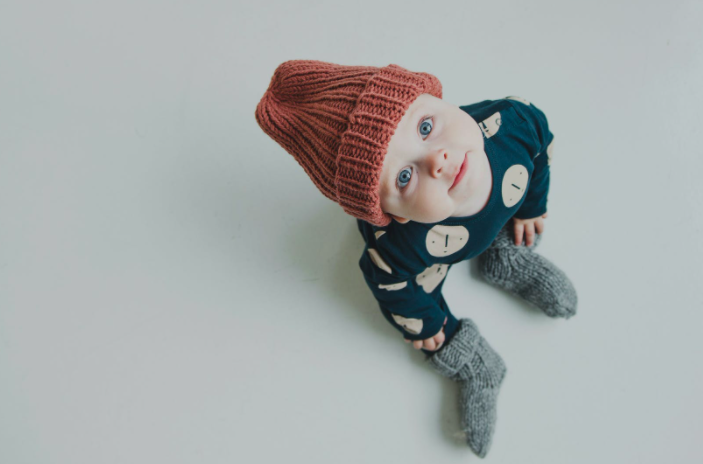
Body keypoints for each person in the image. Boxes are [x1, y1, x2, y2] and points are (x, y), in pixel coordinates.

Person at [255, 59, 577, 458]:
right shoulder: (400, 243)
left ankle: (503, 256)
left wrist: (531, 205)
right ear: (396, 214)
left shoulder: (510, 124)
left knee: (512, 213)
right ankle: (473, 360)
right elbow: (388, 283)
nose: (437, 161)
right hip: (440, 251)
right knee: (421, 320)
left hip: (500, 215)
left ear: (433, 95)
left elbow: (541, 144)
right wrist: (424, 324)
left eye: (425, 127)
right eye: (404, 177)